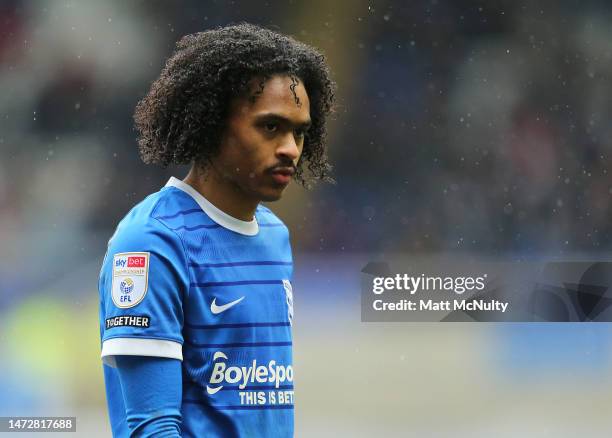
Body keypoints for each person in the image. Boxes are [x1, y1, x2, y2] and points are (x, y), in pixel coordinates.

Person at [98, 23, 335, 437]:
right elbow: (150, 429)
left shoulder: (274, 236)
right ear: (211, 122)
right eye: (270, 127)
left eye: (299, 132)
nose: (291, 149)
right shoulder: (153, 244)